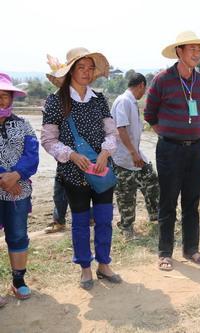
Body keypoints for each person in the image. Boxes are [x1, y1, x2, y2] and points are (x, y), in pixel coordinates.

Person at [41, 47, 122, 290]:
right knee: (79, 222)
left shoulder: (99, 99)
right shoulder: (56, 101)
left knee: (105, 219)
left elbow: (111, 131)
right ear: (70, 71)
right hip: (73, 173)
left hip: (101, 170)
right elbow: (48, 139)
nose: (86, 72)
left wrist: (106, 152)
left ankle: (104, 264)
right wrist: (72, 155)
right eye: (81, 67)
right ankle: (85, 267)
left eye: (90, 68)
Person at [144, 31, 200, 271]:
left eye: (199, 50)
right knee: (168, 202)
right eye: (191, 49)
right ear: (179, 52)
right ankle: (165, 253)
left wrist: (191, 132)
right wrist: (168, 136)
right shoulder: (162, 80)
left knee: (192, 201)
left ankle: (191, 249)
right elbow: (149, 114)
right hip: (169, 150)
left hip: (195, 149)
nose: (196, 54)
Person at [0, 73, 39, 304]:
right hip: (8, 186)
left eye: (5, 96)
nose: (1, 100)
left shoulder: (23, 124)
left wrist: (16, 175)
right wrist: (3, 179)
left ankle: (18, 281)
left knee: (17, 235)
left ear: (12, 98)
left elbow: (32, 155)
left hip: (19, 191)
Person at [111, 73, 160, 239]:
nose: (143, 93)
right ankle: (127, 227)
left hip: (135, 155)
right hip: (124, 157)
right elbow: (121, 129)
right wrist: (133, 153)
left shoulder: (130, 101)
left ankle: (156, 215)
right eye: (144, 90)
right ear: (141, 86)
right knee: (126, 193)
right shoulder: (124, 101)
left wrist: (136, 153)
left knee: (151, 180)